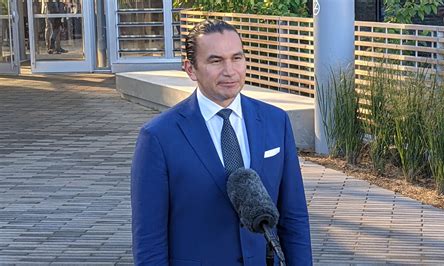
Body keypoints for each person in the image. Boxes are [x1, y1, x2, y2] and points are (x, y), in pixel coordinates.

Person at [131, 19, 312, 265]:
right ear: (190, 69)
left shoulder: (275, 121)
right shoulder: (158, 136)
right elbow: (149, 238)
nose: (230, 70)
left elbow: (294, 217)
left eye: (236, 58)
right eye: (216, 61)